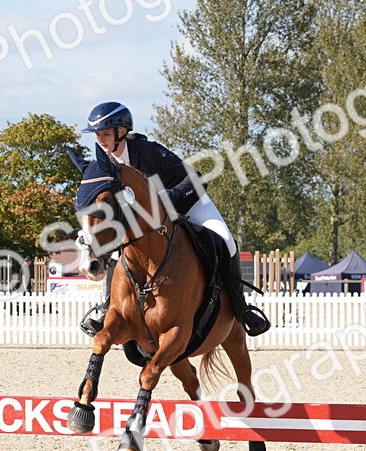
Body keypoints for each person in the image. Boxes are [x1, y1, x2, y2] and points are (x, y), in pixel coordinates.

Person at [77, 100, 270, 337]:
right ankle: (108, 309)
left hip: (189, 202)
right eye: (97, 135)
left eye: (106, 134)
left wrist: (170, 197)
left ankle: (241, 308)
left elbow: (196, 178)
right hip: (150, 221)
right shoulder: (106, 168)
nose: (101, 140)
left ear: (122, 131)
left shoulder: (149, 151)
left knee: (225, 240)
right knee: (119, 250)